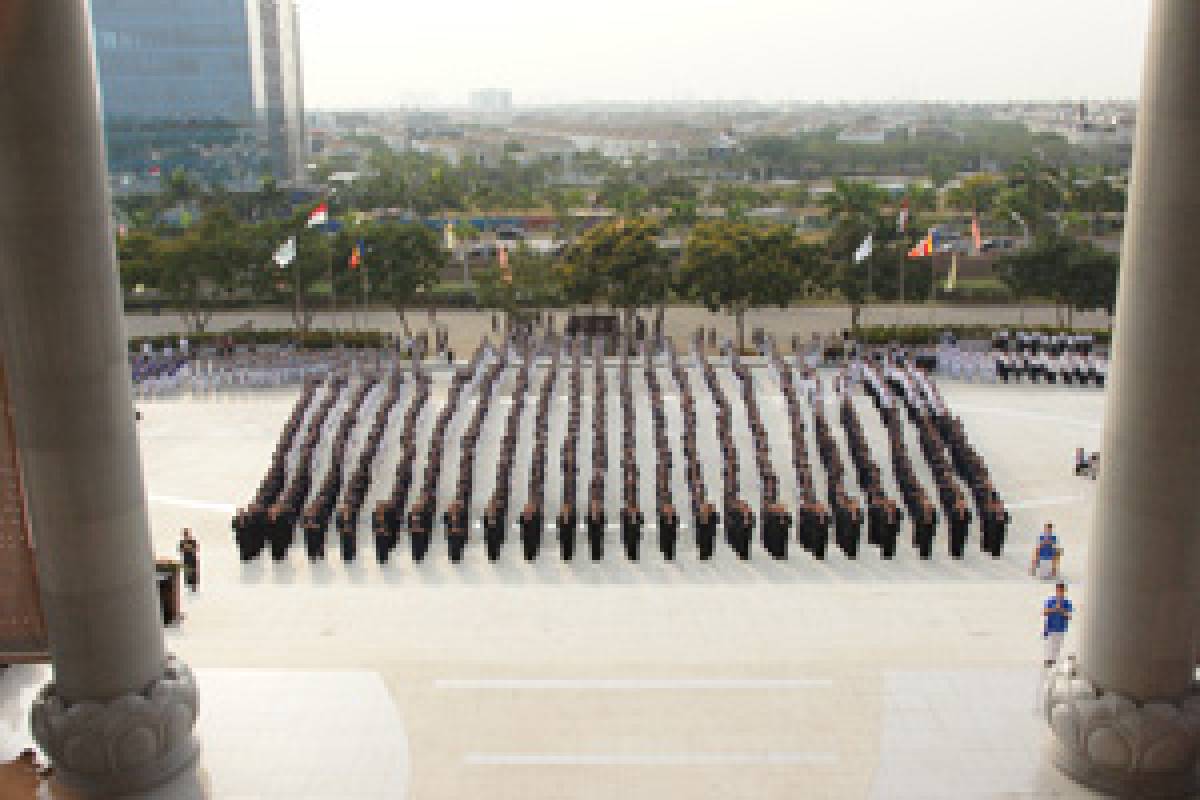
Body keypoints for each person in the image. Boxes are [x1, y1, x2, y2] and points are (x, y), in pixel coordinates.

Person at [1042, 582, 1073, 668]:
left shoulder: (1067, 603)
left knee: (1057, 648)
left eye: (1062, 591)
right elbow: (1045, 612)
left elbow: (1069, 616)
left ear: (1064, 591)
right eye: (1059, 590)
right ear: (1056, 591)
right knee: (1049, 646)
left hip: (1061, 628)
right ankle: (1048, 663)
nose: (1060, 592)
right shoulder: (1050, 601)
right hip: (1050, 628)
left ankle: (1054, 664)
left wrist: (1061, 610)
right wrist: (1054, 608)